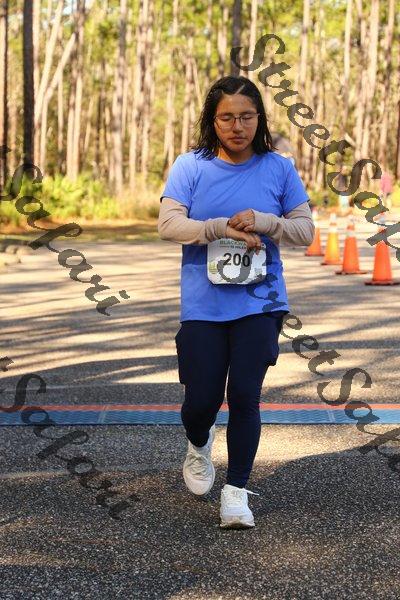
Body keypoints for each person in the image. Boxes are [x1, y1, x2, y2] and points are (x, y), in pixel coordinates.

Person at [158, 76, 314, 529]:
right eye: (226, 117)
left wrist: (266, 221)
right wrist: (219, 227)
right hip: (203, 306)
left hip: (260, 303)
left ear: (259, 119)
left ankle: (236, 493)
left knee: (245, 395)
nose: (237, 126)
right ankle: (199, 441)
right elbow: (168, 224)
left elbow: (305, 231)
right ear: (213, 120)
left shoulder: (278, 167)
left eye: (247, 116)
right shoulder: (190, 166)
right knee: (201, 402)